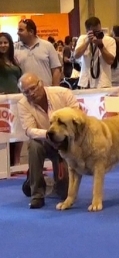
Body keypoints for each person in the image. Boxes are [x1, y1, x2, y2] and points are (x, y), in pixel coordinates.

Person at [17, 73, 79, 209]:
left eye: (33, 88)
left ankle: (41, 180)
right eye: (26, 92)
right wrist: (50, 135)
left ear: (41, 83)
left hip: (66, 143)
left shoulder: (63, 94)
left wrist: (62, 140)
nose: (31, 93)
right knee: (33, 145)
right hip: (44, 142)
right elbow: (29, 130)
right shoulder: (23, 104)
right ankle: (37, 194)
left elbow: (78, 117)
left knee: (64, 193)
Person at [14, 19, 61, 87]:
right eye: (18, 30)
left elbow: (56, 70)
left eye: (21, 30)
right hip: (25, 93)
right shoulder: (15, 48)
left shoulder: (48, 46)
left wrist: (55, 90)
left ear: (31, 32)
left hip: (46, 92)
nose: (18, 33)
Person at [0, 32, 23, 165]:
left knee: (18, 130)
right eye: (0, 43)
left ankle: (16, 161)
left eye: (5, 42)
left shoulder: (14, 61)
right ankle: (4, 164)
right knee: (4, 131)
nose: (3, 45)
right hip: (2, 102)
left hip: (16, 100)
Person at [74, 16, 117, 89]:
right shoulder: (82, 39)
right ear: (87, 31)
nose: (97, 34)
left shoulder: (110, 40)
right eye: (94, 32)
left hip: (103, 83)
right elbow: (76, 55)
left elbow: (110, 61)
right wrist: (87, 41)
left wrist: (101, 45)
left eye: (99, 31)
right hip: (86, 82)